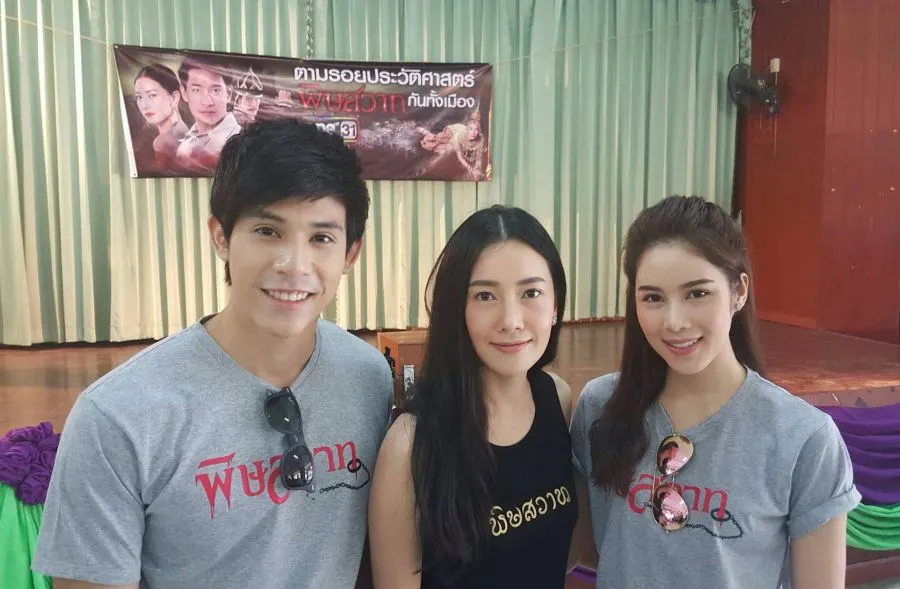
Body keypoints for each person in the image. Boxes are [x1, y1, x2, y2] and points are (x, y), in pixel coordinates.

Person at [32, 120, 393, 589]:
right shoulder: (118, 415)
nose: (294, 265)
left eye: (321, 238)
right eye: (267, 230)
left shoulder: (367, 376)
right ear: (221, 236)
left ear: (350, 254)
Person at [569, 195, 860, 589]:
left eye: (697, 293)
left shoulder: (803, 438)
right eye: (653, 298)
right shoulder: (599, 407)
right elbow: (585, 549)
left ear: (738, 291)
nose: (674, 322)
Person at [368, 205, 578, 589]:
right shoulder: (410, 445)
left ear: (555, 305)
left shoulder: (558, 399)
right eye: (484, 296)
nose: (511, 320)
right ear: (456, 309)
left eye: (531, 292)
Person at [175, 54, 242, 174]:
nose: (208, 102)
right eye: (197, 90)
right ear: (184, 92)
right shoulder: (184, 147)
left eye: (216, 90)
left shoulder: (243, 143)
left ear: (229, 93)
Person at [132, 64, 188, 171]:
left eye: (152, 95)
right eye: (139, 97)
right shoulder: (184, 132)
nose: (144, 105)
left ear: (174, 97)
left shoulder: (163, 143)